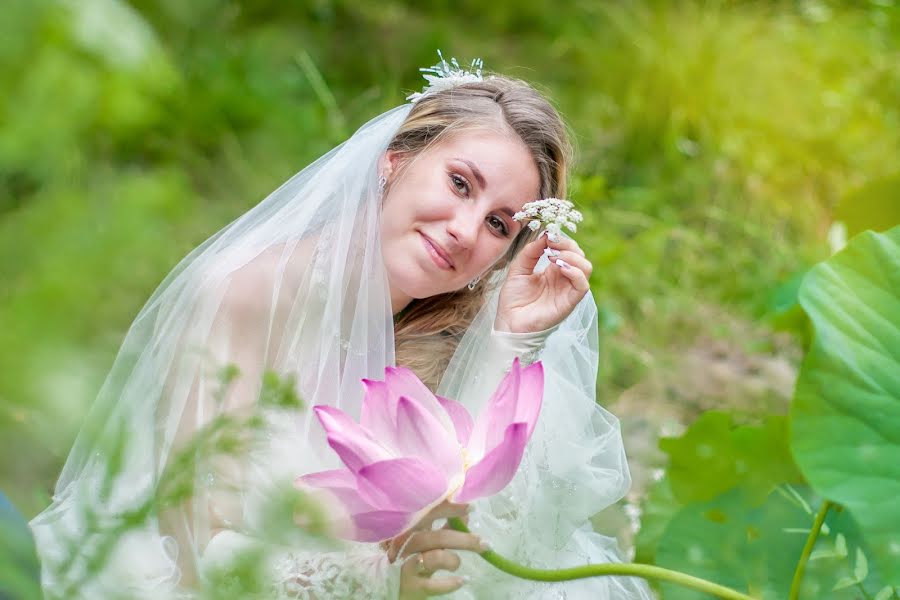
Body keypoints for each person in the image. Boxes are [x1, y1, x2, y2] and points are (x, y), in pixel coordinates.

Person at [29, 54, 652, 599]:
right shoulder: (242, 294)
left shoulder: (458, 332)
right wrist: (371, 586)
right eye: (459, 183)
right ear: (394, 161)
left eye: (499, 225)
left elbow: (476, 520)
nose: (465, 229)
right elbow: (193, 541)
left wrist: (508, 340)